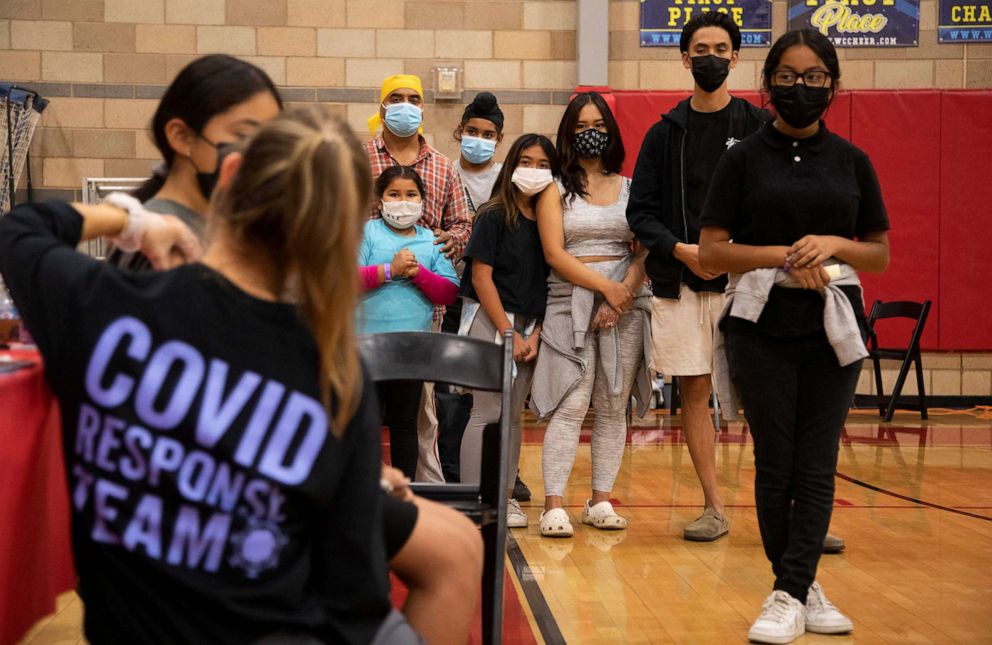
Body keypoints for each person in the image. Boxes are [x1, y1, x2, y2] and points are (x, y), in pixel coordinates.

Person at [0, 106, 450, 643]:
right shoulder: (333, 376)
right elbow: (353, 605)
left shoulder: (107, 306)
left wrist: (134, 220)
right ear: (340, 229)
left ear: (232, 178)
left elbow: (19, 230)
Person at [699, 29, 890, 644]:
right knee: (775, 463)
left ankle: (791, 588)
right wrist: (783, 255)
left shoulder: (853, 161)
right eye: (787, 76)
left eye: (813, 78)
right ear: (768, 82)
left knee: (818, 462)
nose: (800, 88)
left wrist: (833, 244)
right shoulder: (743, 158)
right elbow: (711, 250)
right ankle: (795, 588)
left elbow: (879, 254)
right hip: (760, 327)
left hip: (832, 328)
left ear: (833, 85)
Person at [626, 12, 765, 543]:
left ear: (735, 56)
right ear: (685, 58)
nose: (709, 56)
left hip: (743, 283)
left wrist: (732, 255)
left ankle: (792, 509)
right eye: (699, 48)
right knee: (694, 389)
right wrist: (682, 250)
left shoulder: (756, 129)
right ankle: (713, 506)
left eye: (720, 47)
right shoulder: (665, 134)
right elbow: (640, 213)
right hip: (679, 281)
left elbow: (772, 205)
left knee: (762, 392)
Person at [531, 92, 653, 538]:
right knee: (571, 402)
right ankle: (554, 505)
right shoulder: (554, 187)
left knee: (611, 405)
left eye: (598, 125)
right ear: (567, 132)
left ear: (612, 131)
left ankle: (601, 499)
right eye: (581, 126)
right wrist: (606, 290)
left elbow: (645, 251)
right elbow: (553, 252)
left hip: (627, 308)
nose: (590, 133)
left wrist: (622, 296)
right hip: (569, 304)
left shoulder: (632, 188)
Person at [366, 73, 472, 483]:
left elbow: (462, 224)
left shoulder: (443, 167)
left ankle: (419, 488)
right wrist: (382, 264)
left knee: (417, 413)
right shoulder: (360, 159)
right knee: (366, 415)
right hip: (366, 315)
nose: (406, 105)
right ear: (382, 107)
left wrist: (443, 246)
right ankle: (366, 488)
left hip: (420, 314)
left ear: (423, 108)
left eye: (413, 98)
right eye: (397, 98)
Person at [458, 133, 556, 529]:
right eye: (526, 161)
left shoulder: (551, 222)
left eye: (543, 164)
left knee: (514, 417)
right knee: (485, 412)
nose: (533, 171)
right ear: (512, 163)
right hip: (492, 319)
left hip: (531, 327)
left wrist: (534, 333)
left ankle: (504, 497)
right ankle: (471, 496)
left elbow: (552, 281)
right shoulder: (493, 214)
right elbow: (481, 278)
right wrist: (507, 331)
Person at [108, 54, 282, 270]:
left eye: (269, 139)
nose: (261, 154)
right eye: (244, 136)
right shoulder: (156, 238)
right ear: (181, 137)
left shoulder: (225, 225)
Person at [359, 165, 460, 479]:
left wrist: (418, 274)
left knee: (405, 424)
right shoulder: (365, 233)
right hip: (366, 347)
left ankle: (405, 489)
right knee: (366, 422)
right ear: (380, 199)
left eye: (410, 195)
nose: (403, 201)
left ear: (423, 200)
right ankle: (367, 489)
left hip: (410, 349)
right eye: (394, 194)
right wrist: (390, 270)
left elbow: (448, 291)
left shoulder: (431, 241)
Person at [454, 91, 505, 213]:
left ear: (498, 139)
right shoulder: (447, 173)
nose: (478, 139)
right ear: (460, 131)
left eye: (488, 135)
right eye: (472, 132)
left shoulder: (504, 177)